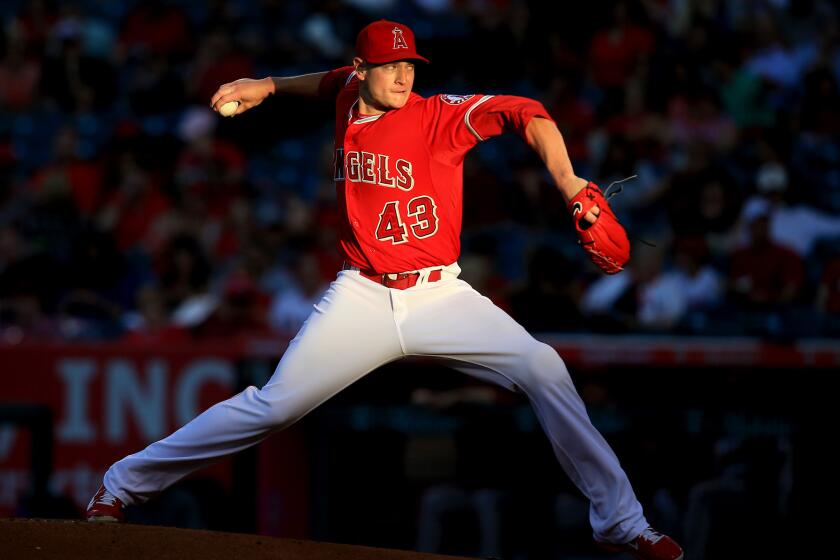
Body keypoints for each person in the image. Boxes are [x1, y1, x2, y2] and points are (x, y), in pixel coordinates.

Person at [86, 20, 682, 560]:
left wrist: (570, 180)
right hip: (362, 296)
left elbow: (528, 113)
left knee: (544, 368)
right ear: (362, 69)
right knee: (273, 406)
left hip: (440, 295)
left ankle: (623, 523)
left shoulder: (435, 116)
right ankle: (121, 485)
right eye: (390, 66)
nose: (402, 75)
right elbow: (323, 83)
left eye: (410, 65)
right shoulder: (349, 92)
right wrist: (267, 85)